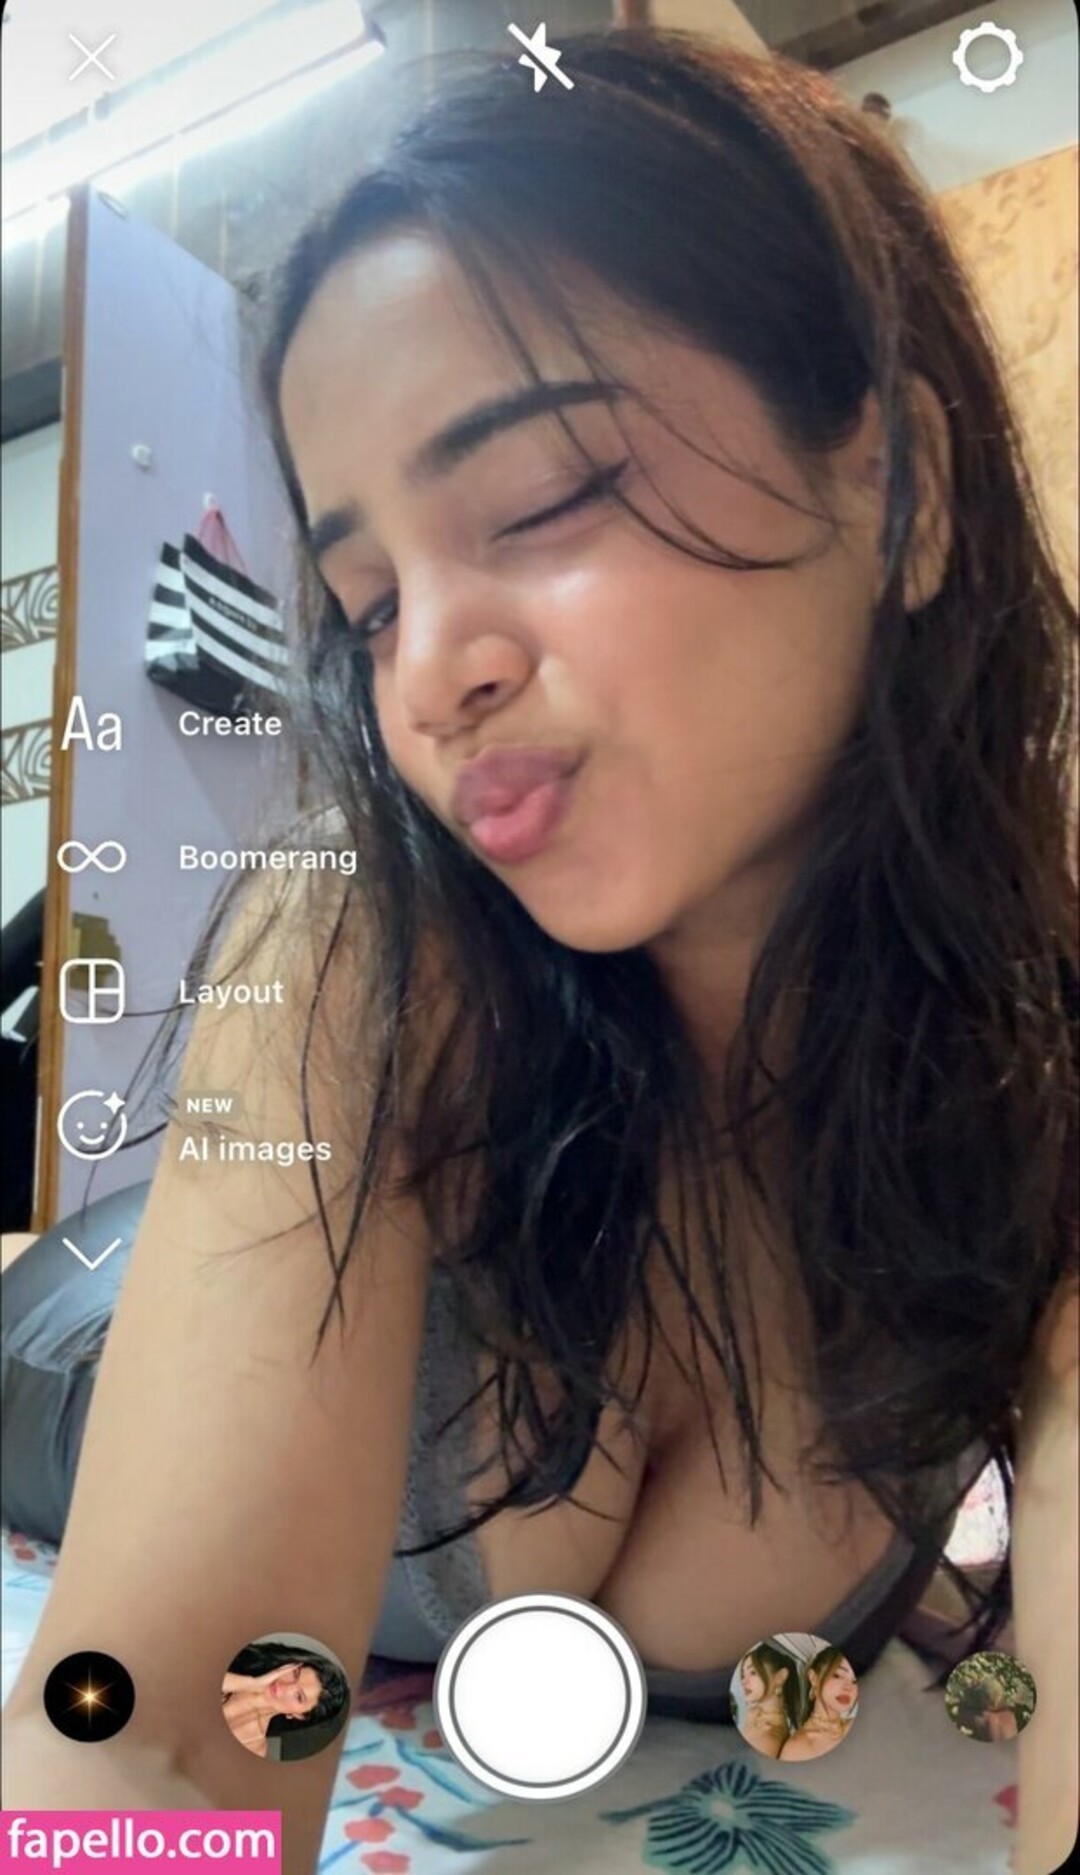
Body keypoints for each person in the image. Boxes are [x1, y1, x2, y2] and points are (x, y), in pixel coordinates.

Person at [2, 27, 1076, 1875]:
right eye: (367, 601)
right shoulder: (365, 948)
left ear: (903, 490)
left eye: (544, 498)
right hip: (83, 1322)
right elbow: (158, 1733)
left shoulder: (1033, 1074)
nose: (428, 672)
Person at [220, 1644, 349, 1758]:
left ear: (299, 1715)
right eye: (295, 1674)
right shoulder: (234, 1662)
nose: (285, 1686)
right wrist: (249, 1684)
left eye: (299, 1696)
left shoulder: (254, 1747)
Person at [779, 1645, 859, 1760]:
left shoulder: (861, 1724)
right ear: (813, 1678)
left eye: (855, 1681)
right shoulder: (797, 1748)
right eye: (838, 1675)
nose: (848, 1687)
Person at [733, 1642, 800, 1758]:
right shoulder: (753, 1716)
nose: (744, 1681)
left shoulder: (768, 1738)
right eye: (743, 1675)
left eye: (753, 1672)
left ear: (780, 1677)